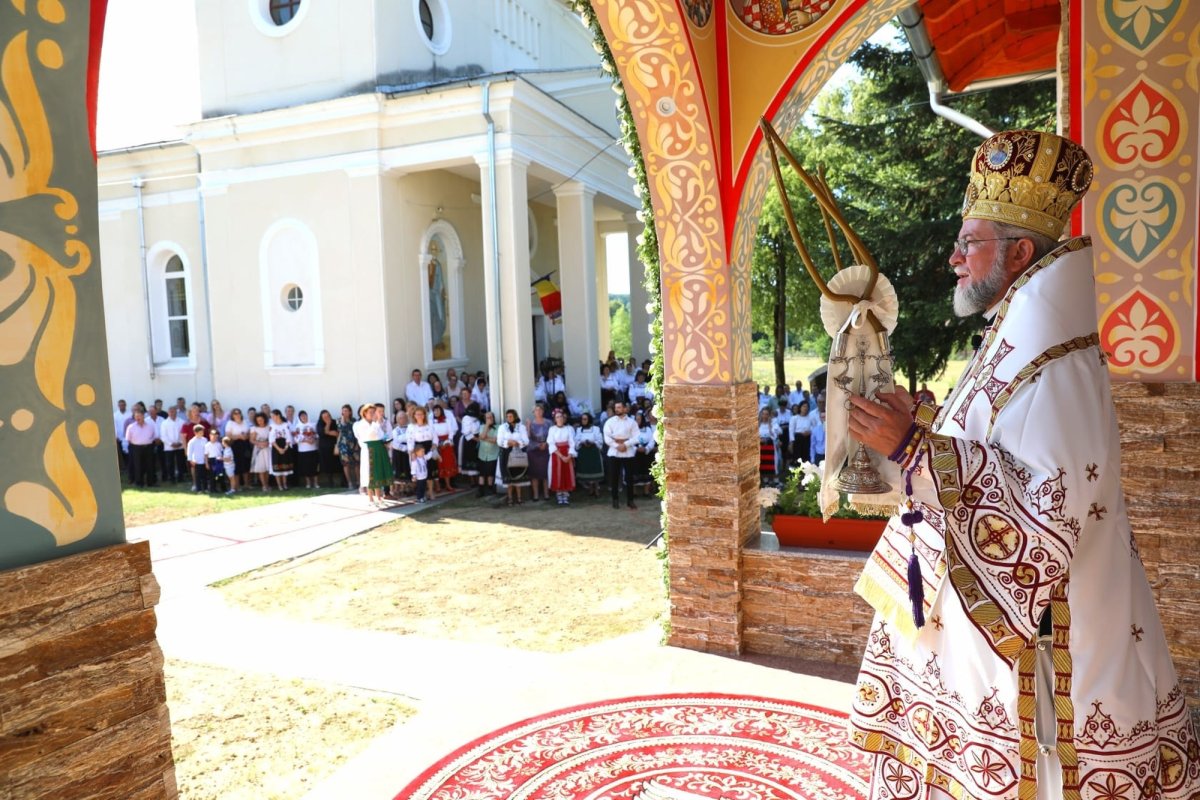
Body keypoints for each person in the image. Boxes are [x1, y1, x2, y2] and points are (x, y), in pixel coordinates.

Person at [844, 130, 1200, 799]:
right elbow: (997, 445)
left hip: (1049, 646)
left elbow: (1046, 515)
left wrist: (915, 448)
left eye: (969, 243)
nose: (953, 258)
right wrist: (926, 423)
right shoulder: (1017, 336)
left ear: (1020, 252)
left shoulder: (1055, 365)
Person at [602, 401, 639, 510]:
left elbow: (637, 437)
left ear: (625, 409)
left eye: (619, 407)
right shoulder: (610, 422)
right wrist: (617, 446)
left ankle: (630, 500)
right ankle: (615, 500)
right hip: (614, 451)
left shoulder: (632, 422)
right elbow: (607, 437)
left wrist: (626, 444)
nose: (617, 409)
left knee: (629, 477)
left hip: (628, 451)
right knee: (614, 476)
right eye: (616, 408)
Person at [353, 403, 391, 505]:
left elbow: (381, 436)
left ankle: (379, 497)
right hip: (368, 450)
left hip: (378, 449)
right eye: (370, 412)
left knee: (377, 473)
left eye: (374, 412)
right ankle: (370, 498)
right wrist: (375, 424)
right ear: (364, 413)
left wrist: (386, 440)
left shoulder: (375, 424)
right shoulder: (359, 425)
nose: (373, 414)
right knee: (369, 474)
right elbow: (366, 436)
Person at [496, 408, 529, 506]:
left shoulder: (521, 427)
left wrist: (517, 443)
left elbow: (526, 441)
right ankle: (510, 498)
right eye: (507, 416)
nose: (509, 418)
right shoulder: (502, 427)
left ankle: (519, 498)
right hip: (506, 454)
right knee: (508, 478)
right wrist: (508, 442)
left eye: (511, 416)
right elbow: (499, 441)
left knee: (518, 477)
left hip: (518, 454)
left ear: (515, 416)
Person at [546, 409, 576, 505]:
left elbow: (572, 442)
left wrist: (569, 455)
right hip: (557, 454)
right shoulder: (552, 429)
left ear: (564, 418)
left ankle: (566, 495)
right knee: (557, 473)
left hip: (567, 453)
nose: (560, 418)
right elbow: (551, 443)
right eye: (557, 417)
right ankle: (559, 495)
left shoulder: (569, 429)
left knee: (566, 473)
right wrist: (561, 456)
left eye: (561, 417)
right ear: (555, 419)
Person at [406, 407, 436, 500]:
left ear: (424, 415)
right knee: (420, 472)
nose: (419, 416)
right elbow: (410, 440)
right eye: (417, 414)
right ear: (414, 416)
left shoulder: (429, 425)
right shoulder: (411, 427)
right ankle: (421, 494)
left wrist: (434, 445)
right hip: (418, 449)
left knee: (430, 471)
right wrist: (412, 452)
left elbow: (435, 437)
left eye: (421, 414)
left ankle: (430, 491)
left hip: (428, 448)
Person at [124, 407, 158, 488]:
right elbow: (128, 439)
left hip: (148, 447)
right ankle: (139, 482)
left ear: (143, 416)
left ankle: (150, 482)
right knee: (137, 465)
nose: (137, 418)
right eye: (136, 416)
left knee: (150, 465)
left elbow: (154, 436)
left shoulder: (150, 426)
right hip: (136, 448)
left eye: (139, 416)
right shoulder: (131, 427)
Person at [573, 412, 605, 497]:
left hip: (594, 451)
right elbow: (576, 441)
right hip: (584, 453)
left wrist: (592, 442)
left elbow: (600, 440)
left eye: (585, 419)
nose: (583, 421)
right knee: (587, 470)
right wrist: (582, 443)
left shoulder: (596, 429)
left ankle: (596, 489)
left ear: (589, 420)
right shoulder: (579, 429)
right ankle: (591, 488)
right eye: (582, 419)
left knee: (595, 470)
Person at [525, 404, 551, 502]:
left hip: (546, 449)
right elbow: (528, 438)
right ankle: (535, 494)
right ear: (533, 412)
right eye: (536, 410)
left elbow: (553, 435)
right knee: (534, 473)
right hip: (534, 450)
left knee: (545, 472)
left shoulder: (549, 423)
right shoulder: (530, 423)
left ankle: (546, 493)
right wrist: (528, 427)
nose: (538, 411)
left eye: (540, 410)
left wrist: (546, 443)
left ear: (543, 411)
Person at [267, 409, 294, 490]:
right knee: (277, 466)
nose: (272, 418)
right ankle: (279, 485)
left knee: (284, 466)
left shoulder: (286, 425)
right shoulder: (272, 426)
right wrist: (278, 449)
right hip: (276, 447)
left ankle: (285, 484)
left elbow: (289, 437)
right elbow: (271, 439)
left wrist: (285, 448)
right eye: (271, 417)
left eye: (273, 416)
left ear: (278, 415)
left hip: (285, 446)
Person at [475, 410, 500, 498]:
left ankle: (490, 489)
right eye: (487, 418)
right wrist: (486, 425)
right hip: (482, 454)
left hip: (493, 454)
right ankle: (481, 490)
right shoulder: (482, 427)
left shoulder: (498, 427)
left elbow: (495, 440)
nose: (489, 419)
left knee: (490, 473)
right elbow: (481, 436)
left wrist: (484, 438)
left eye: (491, 417)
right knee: (481, 473)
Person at [225, 408, 251, 487]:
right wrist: (239, 436)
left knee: (246, 463)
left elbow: (249, 433)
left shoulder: (245, 422)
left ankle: (247, 484)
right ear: (232, 415)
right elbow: (228, 435)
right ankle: (237, 485)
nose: (237, 415)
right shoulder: (230, 423)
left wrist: (246, 436)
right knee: (237, 464)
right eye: (235, 413)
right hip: (235, 445)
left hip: (245, 444)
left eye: (239, 413)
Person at [335, 404, 360, 489]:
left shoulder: (354, 421)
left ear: (350, 412)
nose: (344, 412)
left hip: (354, 444)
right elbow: (341, 428)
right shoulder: (339, 420)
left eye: (346, 410)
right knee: (346, 464)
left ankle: (358, 481)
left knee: (357, 463)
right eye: (343, 411)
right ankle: (349, 482)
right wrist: (343, 419)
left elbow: (357, 433)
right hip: (343, 446)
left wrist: (357, 444)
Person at [295, 410, 320, 489]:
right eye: (302, 416)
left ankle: (316, 483)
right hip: (303, 450)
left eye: (305, 415)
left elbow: (317, 435)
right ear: (299, 418)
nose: (304, 417)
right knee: (306, 467)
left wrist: (313, 439)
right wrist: (306, 440)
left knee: (314, 466)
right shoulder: (297, 426)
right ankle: (308, 483)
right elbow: (296, 438)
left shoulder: (313, 424)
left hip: (313, 449)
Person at [390, 411, 412, 496]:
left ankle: (408, 488)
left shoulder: (410, 428)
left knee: (408, 469)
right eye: (400, 418)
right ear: (397, 420)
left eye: (404, 417)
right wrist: (405, 448)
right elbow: (394, 443)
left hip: (409, 452)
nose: (402, 419)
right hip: (399, 453)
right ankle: (400, 489)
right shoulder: (395, 431)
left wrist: (410, 448)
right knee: (399, 471)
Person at [249, 412, 272, 491]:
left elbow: (272, 437)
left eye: (261, 420)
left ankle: (267, 484)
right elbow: (251, 440)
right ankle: (264, 485)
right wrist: (260, 443)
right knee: (261, 468)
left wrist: (268, 442)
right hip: (259, 449)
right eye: (258, 420)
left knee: (267, 468)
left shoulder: (269, 427)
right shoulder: (254, 428)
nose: (260, 421)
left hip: (268, 448)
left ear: (264, 419)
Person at [757, 407, 780, 482]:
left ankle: (775, 479)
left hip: (770, 445)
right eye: (763, 414)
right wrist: (759, 439)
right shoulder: (758, 424)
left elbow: (774, 436)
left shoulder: (773, 423)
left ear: (769, 415)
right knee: (763, 462)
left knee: (772, 462)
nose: (765, 416)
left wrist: (770, 426)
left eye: (766, 414)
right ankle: (765, 478)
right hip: (761, 446)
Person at [316, 409, 340, 486]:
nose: (326, 418)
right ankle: (330, 481)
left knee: (337, 463)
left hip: (334, 447)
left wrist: (327, 432)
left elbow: (337, 433)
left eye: (327, 416)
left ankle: (342, 481)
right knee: (327, 464)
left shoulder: (334, 422)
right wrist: (328, 424)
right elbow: (322, 433)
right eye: (324, 417)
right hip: (324, 448)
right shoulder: (320, 423)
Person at [186, 424, 208, 493]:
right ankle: (199, 489)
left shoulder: (205, 440)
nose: (202, 434)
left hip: (204, 461)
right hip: (196, 461)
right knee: (197, 476)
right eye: (200, 432)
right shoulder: (192, 442)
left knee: (204, 476)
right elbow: (189, 452)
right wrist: (191, 460)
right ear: (195, 433)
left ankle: (205, 488)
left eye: (202, 432)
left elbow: (206, 450)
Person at [789, 401, 812, 466]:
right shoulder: (794, 418)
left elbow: (813, 427)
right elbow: (791, 430)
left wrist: (810, 432)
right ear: (800, 407)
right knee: (797, 457)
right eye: (804, 406)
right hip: (797, 439)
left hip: (807, 438)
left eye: (807, 407)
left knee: (806, 457)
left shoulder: (810, 418)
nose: (805, 408)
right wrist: (791, 442)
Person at [205, 428, 227, 495]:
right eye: (213, 435)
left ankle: (223, 488)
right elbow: (206, 455)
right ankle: (213, 489)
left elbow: (222, 452)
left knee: (220, 475)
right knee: (212, 476)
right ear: (210, 435)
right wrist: (206, 463)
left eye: (216, 436)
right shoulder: (207, 445)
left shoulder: (219, 444)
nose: (214, 437)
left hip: (219, 461)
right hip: (212, 461)